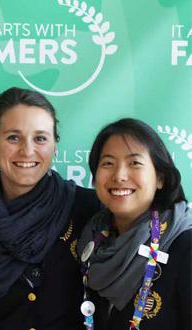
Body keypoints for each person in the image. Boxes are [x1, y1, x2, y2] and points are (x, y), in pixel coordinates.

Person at [0, 87, 101, 329]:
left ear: (54, 145)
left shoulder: (89, 208)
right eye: (13, 137)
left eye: (40, 138)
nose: (27, 151)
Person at [77, 118, 191, 330]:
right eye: (108, 163)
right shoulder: (90, 240)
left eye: (134, 163)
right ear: (94, 178)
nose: (119, 175)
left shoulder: (185, 246)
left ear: (160, 178)